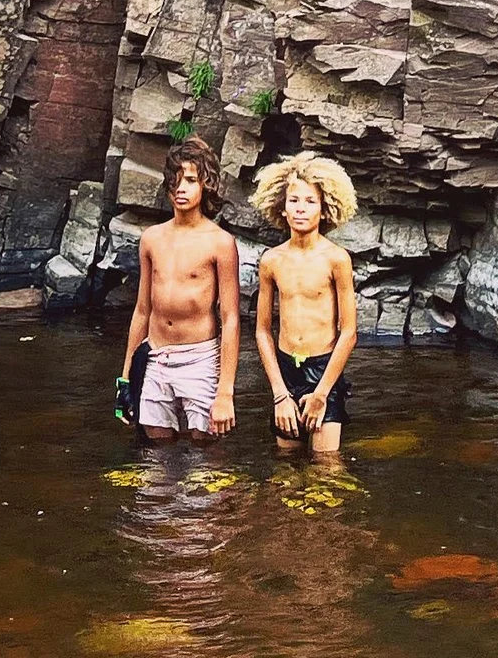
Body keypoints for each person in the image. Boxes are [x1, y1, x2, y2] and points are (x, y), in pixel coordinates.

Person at [120, 137, 240, 440]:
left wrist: (225, 391)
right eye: (174, 180)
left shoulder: (220, 242)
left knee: (207, 457)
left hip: (200, 358)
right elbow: (142, 310)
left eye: (190, 180)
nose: (180, 188)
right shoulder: (151, 238)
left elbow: (231, 318)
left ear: (206, 185)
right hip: (157, 356)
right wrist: (125, 379)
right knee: (155, 459)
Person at [251, 151, 358, 453]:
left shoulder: (336, 259)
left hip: (324, 370)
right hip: (285, 370)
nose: (301, 209)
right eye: (294, 201)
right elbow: (262, 330)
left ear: (324, 210)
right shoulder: (271, 260)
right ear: (282, 208)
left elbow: (349, 333)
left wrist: (322, 393)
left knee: (326, 469)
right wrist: (279, 394)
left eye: (310, 202)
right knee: (286, 467)